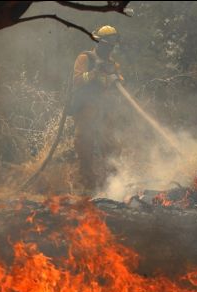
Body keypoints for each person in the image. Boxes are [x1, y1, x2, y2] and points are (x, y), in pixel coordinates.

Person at [71, 25, 124, 193]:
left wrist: (117, 78)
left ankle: (112, 187)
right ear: (99, 43)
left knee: (111, 149)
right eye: (107, 45)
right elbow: (77, 80)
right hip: (86, 111)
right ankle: (87, 188)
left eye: (111, 46)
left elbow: (117, 83)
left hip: (104, 113)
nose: (109, 49)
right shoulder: (85, 58)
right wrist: (94, 72)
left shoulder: (113, 64)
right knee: (84, 147)